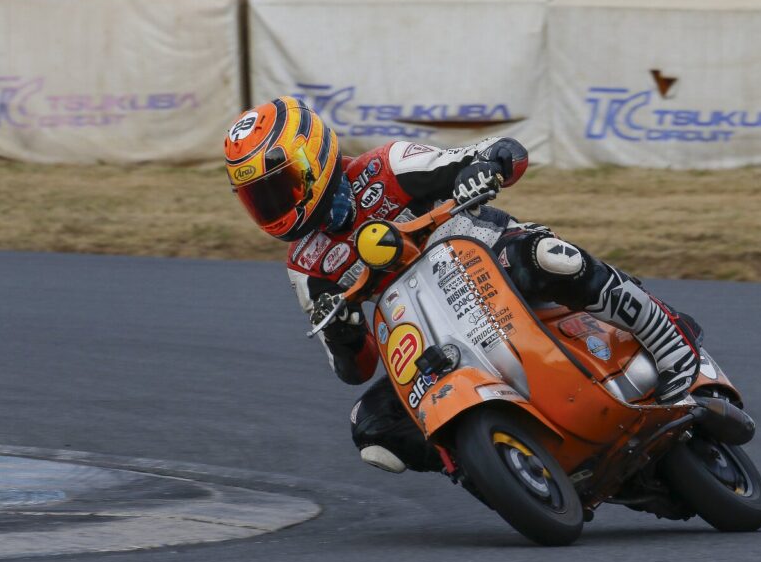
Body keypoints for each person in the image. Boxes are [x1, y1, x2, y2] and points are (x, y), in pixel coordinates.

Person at [224, 96, 701, 474]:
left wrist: (483, 168)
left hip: (487, 256)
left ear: (315, 158)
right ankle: (486, 461)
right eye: (257, 197)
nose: (271, 205)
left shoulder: (387, 165)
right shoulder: (304, 266)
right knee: (371, 427)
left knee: (550, 259)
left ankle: (666, 334)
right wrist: (344, 333)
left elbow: (499, 152)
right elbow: (355, 368)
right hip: (430, 332)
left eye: (280, 187)